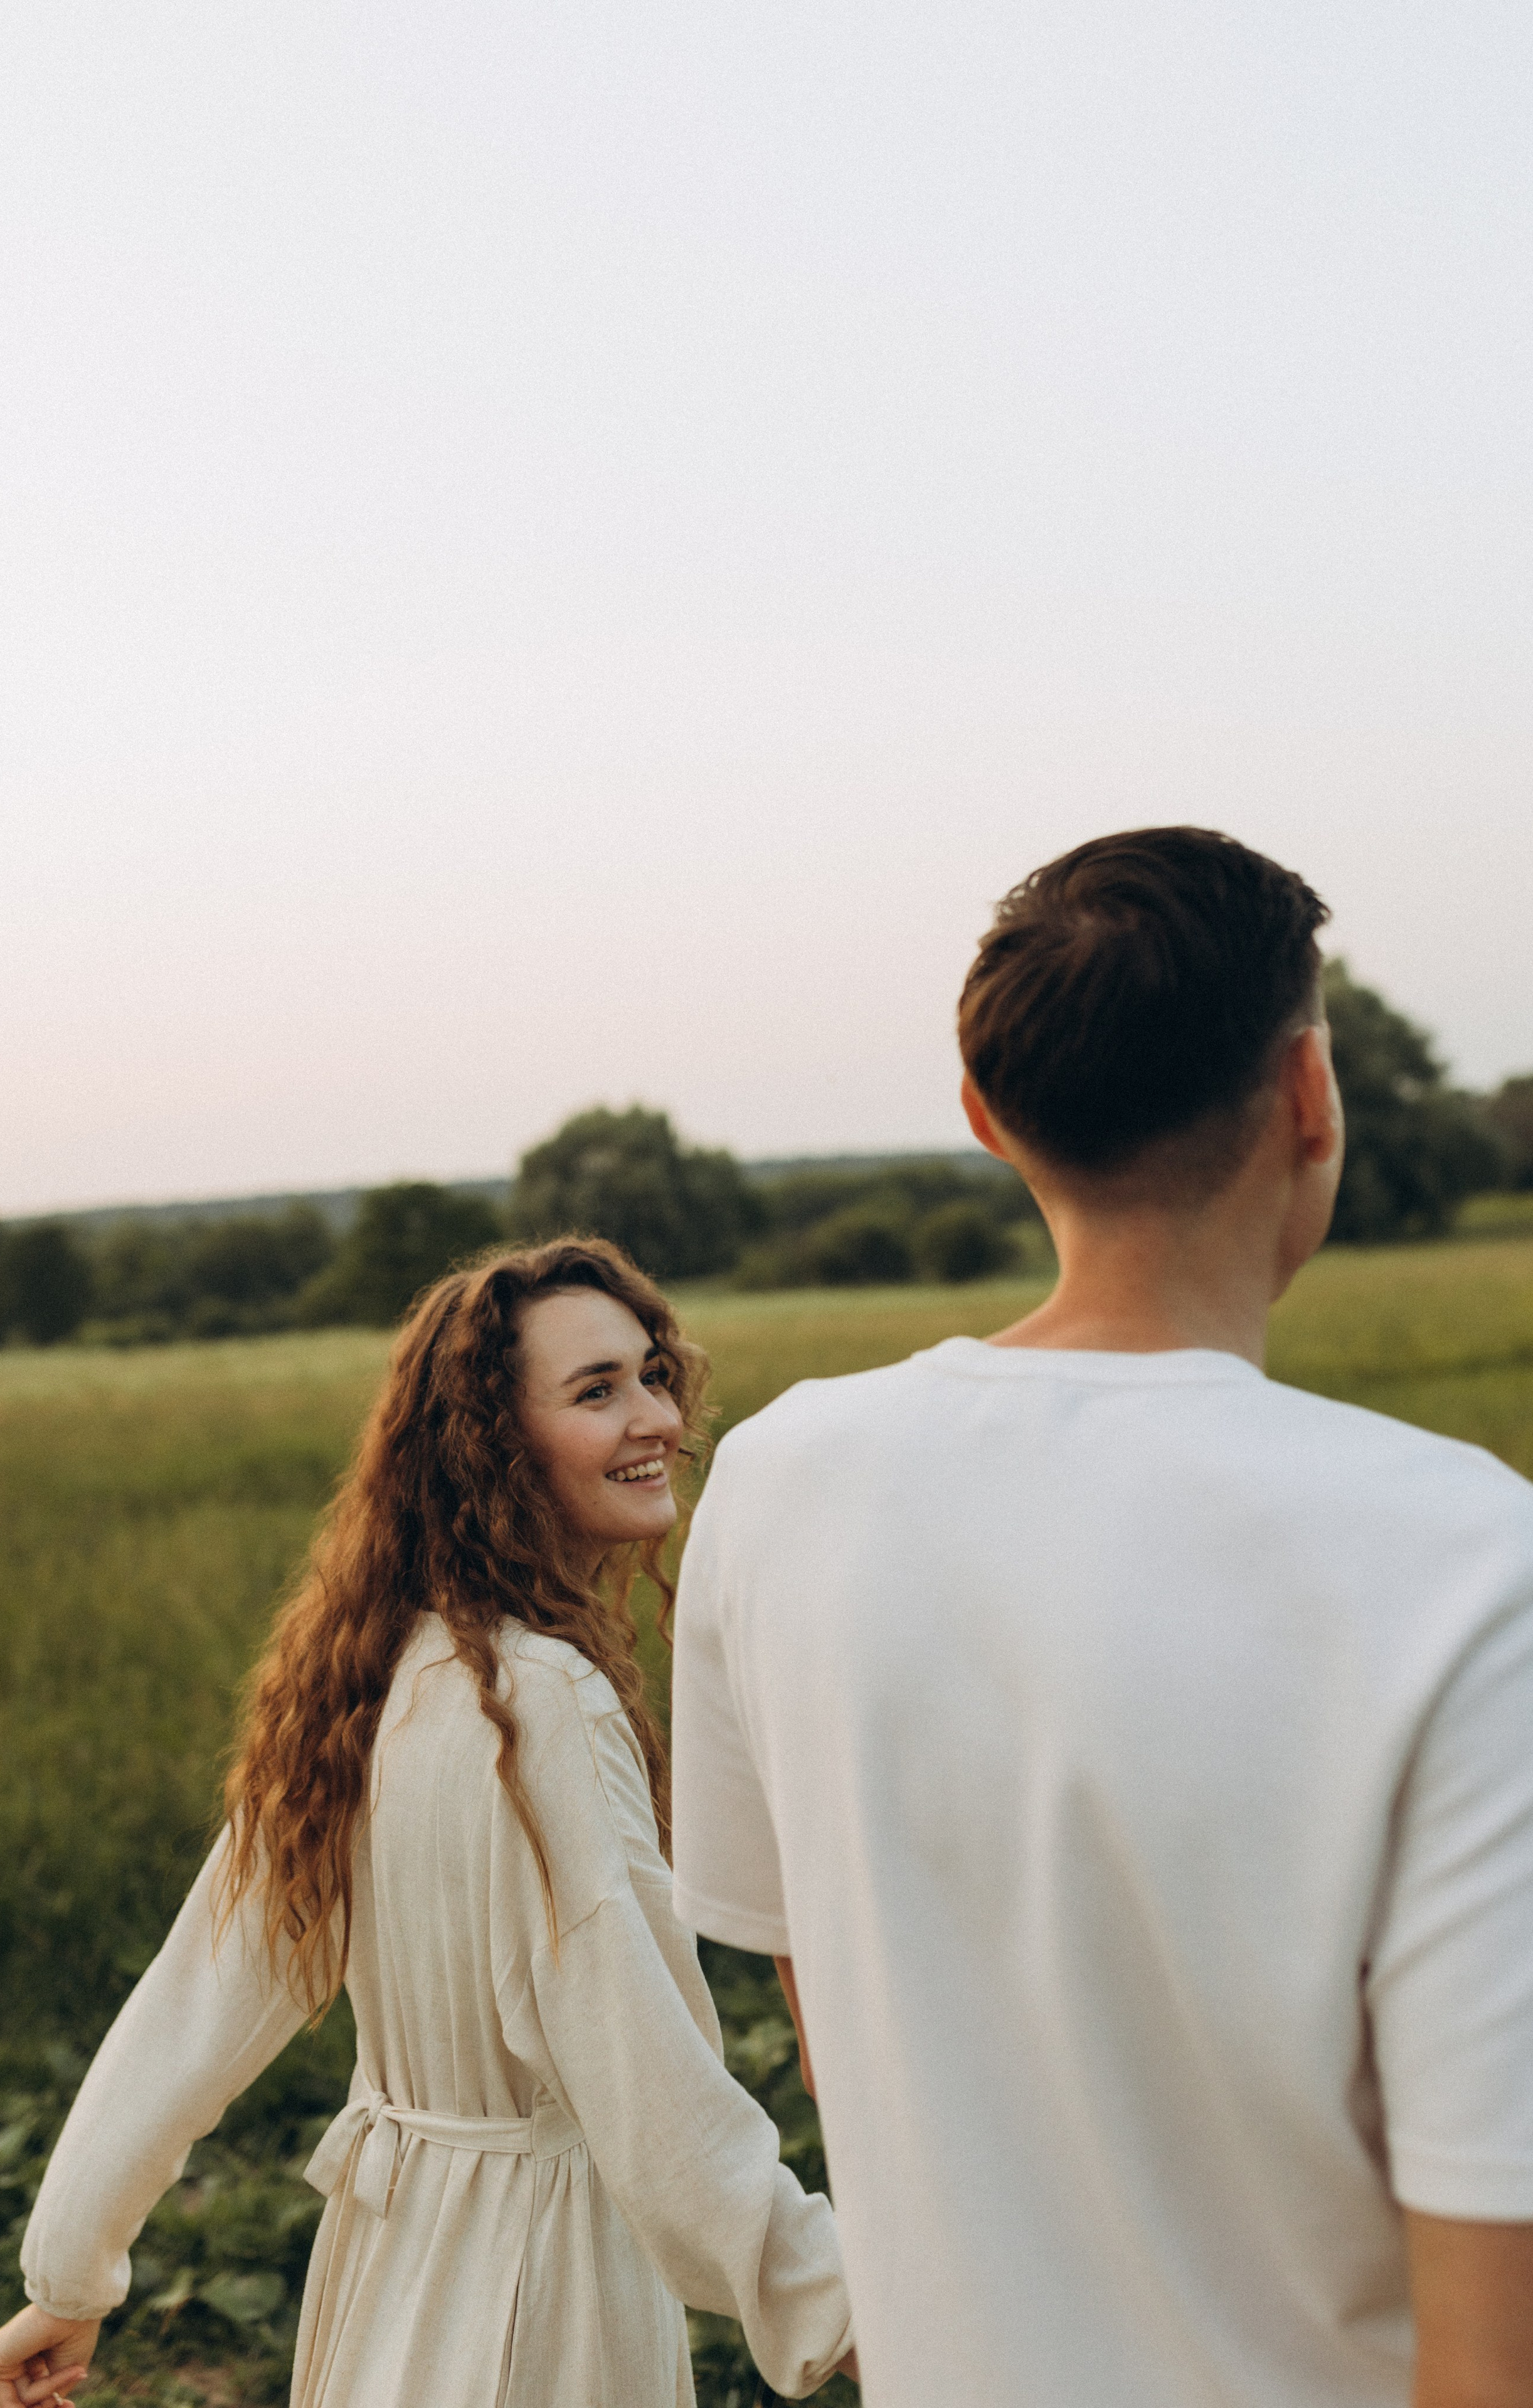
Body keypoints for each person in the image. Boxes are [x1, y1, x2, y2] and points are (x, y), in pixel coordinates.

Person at [671, 828, 1533, 2408]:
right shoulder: (1468, 1561)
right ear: (1304, 1097)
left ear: (984, 1119)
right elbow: (1498, 2326)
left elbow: (836, 2003)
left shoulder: (781, 1489)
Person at [0, 1239, 854, 2408]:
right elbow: (651, 2079)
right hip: (544, 2293)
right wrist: (845, 2306)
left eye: (652, 1374)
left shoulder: (373, 1676)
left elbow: (201, 1996)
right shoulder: (543, 1704)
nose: (656, 1416)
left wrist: (70, 2274)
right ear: (495, 1447)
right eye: (596, 1392)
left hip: (389, 2258)